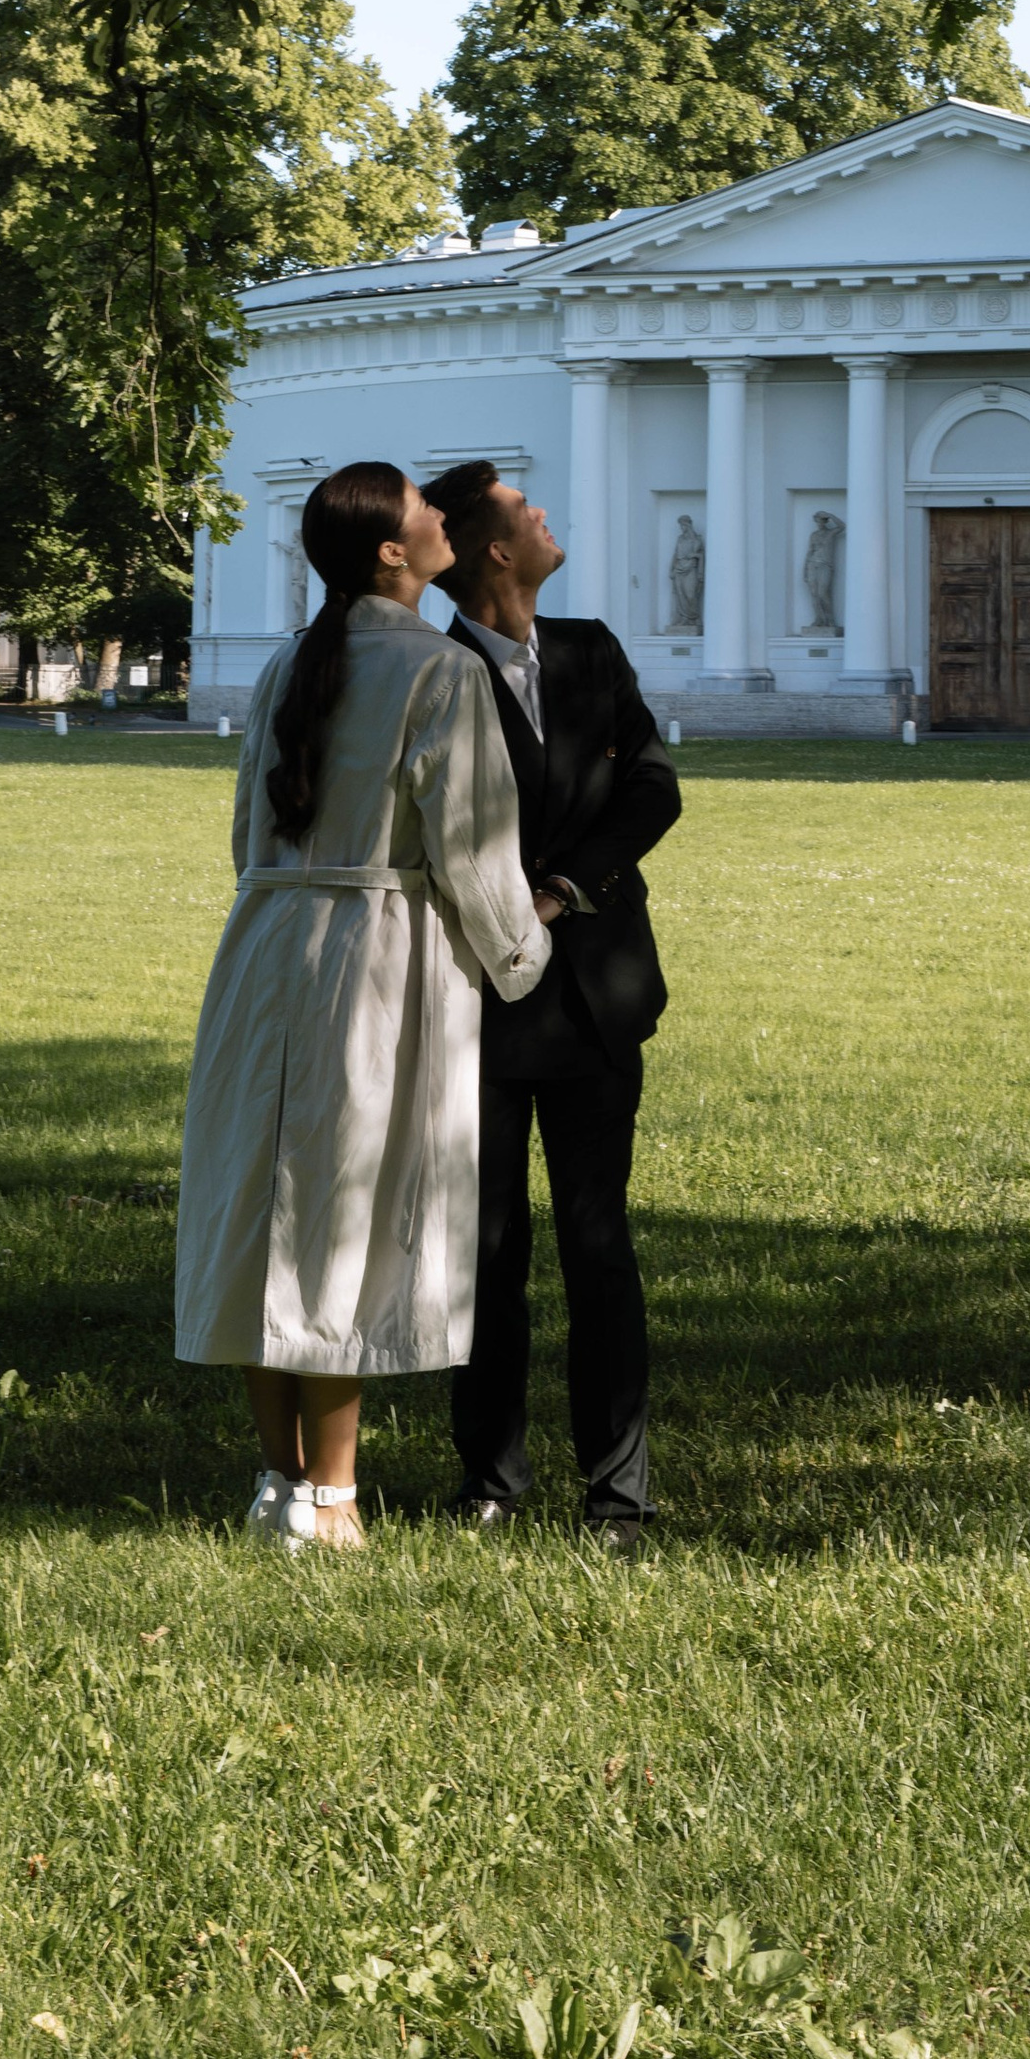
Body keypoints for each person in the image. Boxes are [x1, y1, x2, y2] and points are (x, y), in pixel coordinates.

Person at [173, 462, 558, 1551]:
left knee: (258, 1201)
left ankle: (275, 1479)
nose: (444, 519)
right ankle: (331, 1499)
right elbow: (474, 854)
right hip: (375, 954)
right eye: (425, 514)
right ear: (392, 550)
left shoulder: (289, 663)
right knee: (338, 1207)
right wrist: (525, 955)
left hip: (264, 943)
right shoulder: (441, 671)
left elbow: (248, 829)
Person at [419, 457, 682, 1551]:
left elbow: (653, 784)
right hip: (473, 999)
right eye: (528, 513)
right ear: (495, 550)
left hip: (594, 998)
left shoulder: (590, 650)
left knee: (597, 1242)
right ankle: (489, 1479)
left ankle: (616, 1495)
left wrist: (562, 883)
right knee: (485, 1250)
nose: (544, 518)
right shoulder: (431, 678)